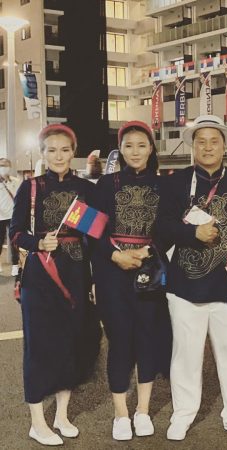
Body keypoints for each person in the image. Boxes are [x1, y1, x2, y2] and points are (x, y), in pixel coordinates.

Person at [155, 115, 227, 441]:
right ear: (193, 146)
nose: (208, 147)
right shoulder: (174, 182)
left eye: (214, 141)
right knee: (185, 355)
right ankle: (183, 414)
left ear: (224, 146)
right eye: (201, 142)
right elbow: (160, 227)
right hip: (185, 284)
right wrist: (192, 233)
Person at [9, 124, 101, 446]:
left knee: (70, 344)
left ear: (73, 152)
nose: (58, 156)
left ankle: (61, 415)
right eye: (51, 150)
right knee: (39, 347)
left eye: (64, 150)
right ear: (43, 153)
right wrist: (37, 243)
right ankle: (37, 422)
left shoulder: (86, 189)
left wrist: (94, 280)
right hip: (40, 277)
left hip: (76, 275)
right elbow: (15, 232)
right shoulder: (31, 187)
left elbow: (93, 238)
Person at [90, 121, 172, 441]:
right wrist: (116, 256)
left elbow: (169, 229)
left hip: (149, 269)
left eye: (141, 145)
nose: (135, 151)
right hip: (112, 273)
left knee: (147, 338)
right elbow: (91, 231)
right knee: (120, 340)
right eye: (128, 145)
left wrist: (146, 251)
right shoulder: (104, 184)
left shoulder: (164, 185)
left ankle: (143, 410)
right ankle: (121, 414)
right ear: (120, 150)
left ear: (151, 148)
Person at [0, 157, 20, 276]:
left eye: (6, 165)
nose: (4, 168)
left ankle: (15, 265)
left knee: (14, 241)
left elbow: (20, 198)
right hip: (0, 217)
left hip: (13, 216)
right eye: (1, 165)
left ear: (10, 167)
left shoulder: (15, 181)